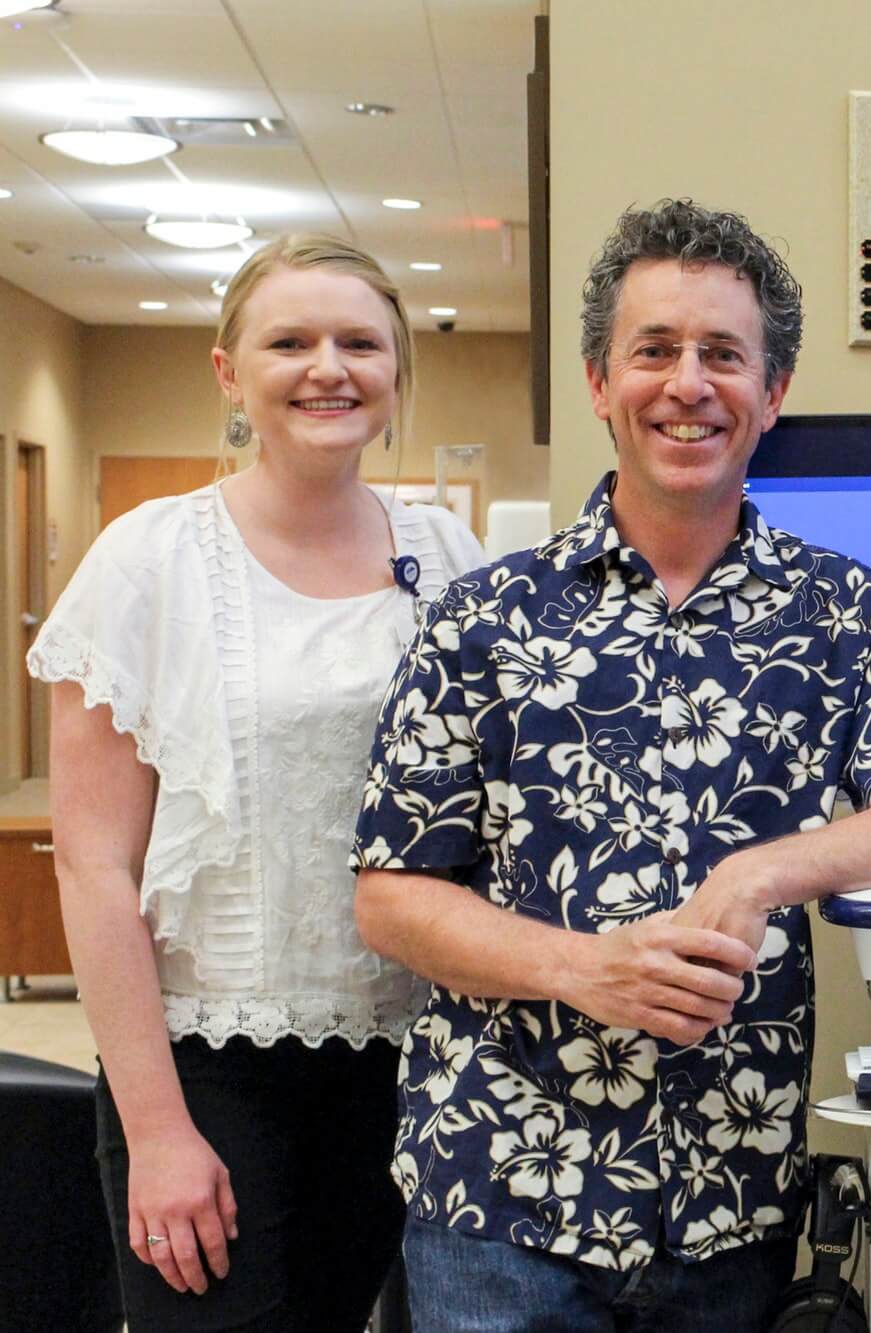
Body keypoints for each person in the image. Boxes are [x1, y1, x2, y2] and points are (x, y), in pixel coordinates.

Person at [350, 197, 871, 1330]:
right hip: (498, 1195)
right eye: (653, 350)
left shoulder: (846, 609)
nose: (687, 383)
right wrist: (583, 967)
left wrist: (757, 875)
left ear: (773, 392)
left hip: (725, 1207)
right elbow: (392, 895)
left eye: (723, 355)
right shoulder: (481, 619)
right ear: (601, 383)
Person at [30, 234, 486, 1329]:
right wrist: (156, 1130)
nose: (327, 367)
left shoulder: (450, 555)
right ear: (231, 372)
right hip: (205, 1066)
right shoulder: (148, 561)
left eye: (359, 343)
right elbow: (94, 866)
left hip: (411, 1057)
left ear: (395, 372)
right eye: (290, 341)